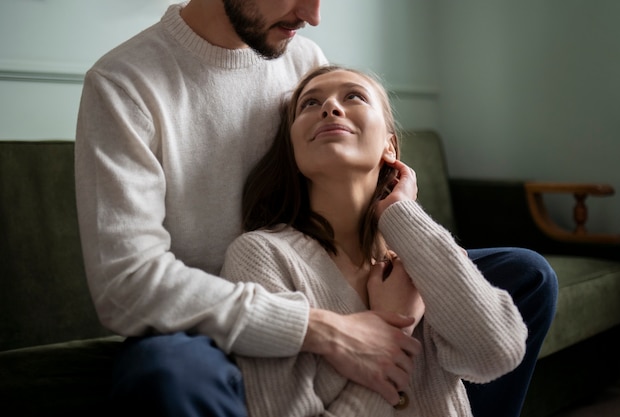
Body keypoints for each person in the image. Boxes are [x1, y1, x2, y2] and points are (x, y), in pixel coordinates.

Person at [74, 1, 558, 416]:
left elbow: (349, 179)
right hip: (218, 314)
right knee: (167, 374)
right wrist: (328, 328)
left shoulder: (300, 55)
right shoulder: (124, 83)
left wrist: (399, 221)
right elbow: (126, 284)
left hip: (338, 267)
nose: (313, 15)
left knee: (525, 276)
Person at [221, 64, 528, 416]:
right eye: (309, 104)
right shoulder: (261, 256)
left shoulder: (421, 253)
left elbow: (497, 352)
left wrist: (403, 216)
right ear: (292, 150)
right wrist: (397, 323)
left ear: (390, 145)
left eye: (353, 96)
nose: (330, 108)